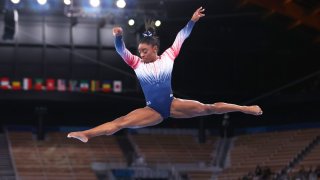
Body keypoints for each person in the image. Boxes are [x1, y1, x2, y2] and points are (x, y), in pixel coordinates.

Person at [67, 7, 263, 143]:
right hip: (153, 110)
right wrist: (118, 37)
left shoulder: (168, 56)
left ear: (154, 49)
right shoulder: (136, 63)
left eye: (144, 51)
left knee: (208, 108)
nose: (140, 54)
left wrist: (192, 21)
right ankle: (87, 134)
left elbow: (182, 36)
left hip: (172, 104)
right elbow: (121, 50)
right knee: (120, 123)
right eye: (139, 51)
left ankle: (245, 108)